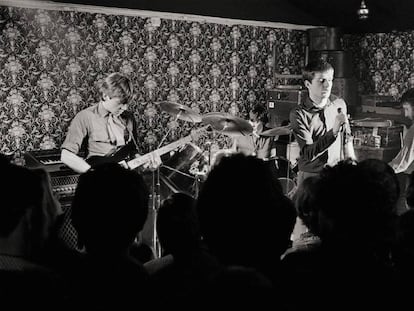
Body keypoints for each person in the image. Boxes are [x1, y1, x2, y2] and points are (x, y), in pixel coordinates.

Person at [61, 72, 160, 173]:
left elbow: (133, 151)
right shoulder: (85, 117)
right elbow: (66, 155)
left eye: (126, 104)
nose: (124, 108)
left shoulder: (128, 117)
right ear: (105, 96)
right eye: (120, 103)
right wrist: (91, 174)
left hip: (125, 177)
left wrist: (145, 164)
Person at [289, 60, 355, 184]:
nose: (327, 85)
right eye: (321, 80)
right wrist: (334, 131)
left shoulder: (339, 104)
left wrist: (353, 164)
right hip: (312, 176)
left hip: (337, 173)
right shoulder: (298, 114)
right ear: (308, 84)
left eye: (330, 80)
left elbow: (347, 138)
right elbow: (308, 154)